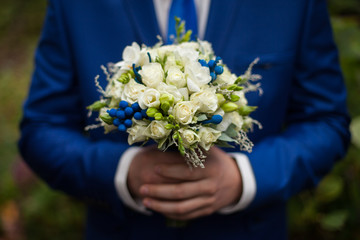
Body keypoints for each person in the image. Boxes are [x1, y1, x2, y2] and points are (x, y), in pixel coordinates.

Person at [19, 0, 350, 239]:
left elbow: (326, 121)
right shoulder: (75, 6)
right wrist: (123, 172)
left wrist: (244, 178)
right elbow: (42, 128)